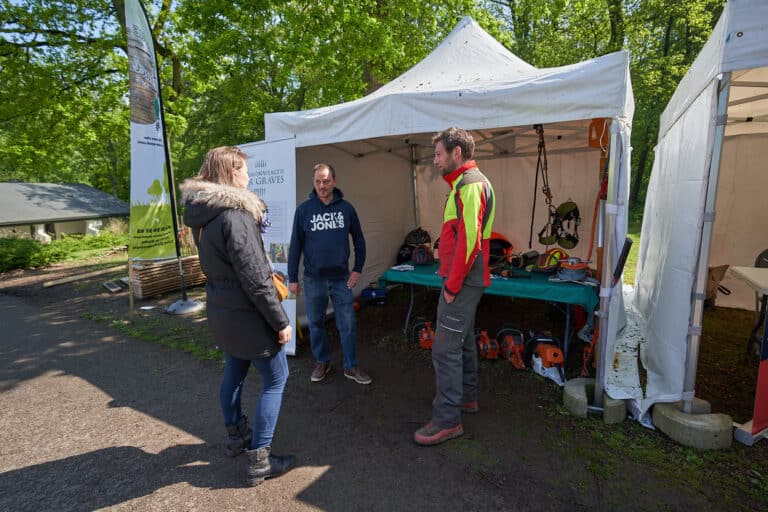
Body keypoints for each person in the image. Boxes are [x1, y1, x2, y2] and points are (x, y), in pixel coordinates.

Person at [180, 146, 295, 486]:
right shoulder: (235, 215)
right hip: (246, 313)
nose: (249, 177)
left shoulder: (204, 214)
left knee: (235, 368)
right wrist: (281, 321)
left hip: (222, 310)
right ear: (230, 174)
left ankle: (236, 437)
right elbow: (257, 280)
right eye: (244, 170)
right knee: (276, 379)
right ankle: (260, 459)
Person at [414, 128, 496, 446]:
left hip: (461, 283)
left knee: (445, 349)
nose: (435, 160)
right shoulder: (464, 184)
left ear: (456, 153)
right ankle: (466, 399)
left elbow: (470, 240)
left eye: (438, 154)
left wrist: (452, 284)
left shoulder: (471, 184)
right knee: (462, 343)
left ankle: (447, 421)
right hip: (464, 280)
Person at [288, 163, 372, 385]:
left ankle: (351, 366)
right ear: (313, 183)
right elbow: (295, 245)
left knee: (348, 324)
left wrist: (358, 269)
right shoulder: (304, 210)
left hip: (341, 279)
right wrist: (293, 278)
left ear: (334, 181)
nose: (322, 186)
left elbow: (359, 240)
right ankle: (321, 362)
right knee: (316, 322)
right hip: (313, 279)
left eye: (326, 181)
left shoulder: (346, 208)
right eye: (318, 181)